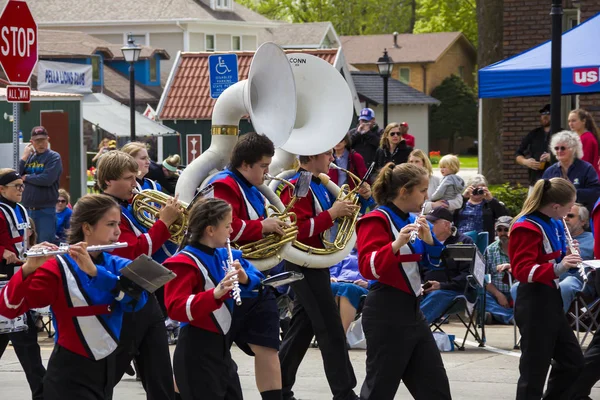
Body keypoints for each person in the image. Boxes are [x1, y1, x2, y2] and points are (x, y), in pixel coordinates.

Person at [0, 194, 147, 399]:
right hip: (68, 371)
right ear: (87, 228)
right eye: (111, 224)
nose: (118, 231)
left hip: (106, 369)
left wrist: (96, 273)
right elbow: (9, 308)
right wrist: (27, 269)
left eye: (119, 224)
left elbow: (136, 302)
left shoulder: (117, 264)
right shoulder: (57, 266)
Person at [356, 163, 451, 399]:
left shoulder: (416, 220)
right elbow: (368, 268)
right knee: (379, 390)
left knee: (436, 390)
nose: (427, 197)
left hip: (412, 311)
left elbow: (434, 266)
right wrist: (395, 244)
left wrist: (431, 241)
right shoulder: (375, 220)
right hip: (385, 312)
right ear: (404, 191)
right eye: (422, 190)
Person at [209, 132, 287, 400]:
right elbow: (223, 228)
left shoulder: (249, 185)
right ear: (245, 164)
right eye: (264, 166)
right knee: (210, 355)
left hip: (254, 279)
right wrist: (262, 226)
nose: (267, 173)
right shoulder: (223, 185)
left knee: (268, 347)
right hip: (228, 278)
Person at [96, 151, 179, 400]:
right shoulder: (104, 211)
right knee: (106, 377)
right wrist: (164, 223)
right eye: (129, 178)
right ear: (109, 181)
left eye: (136, 177)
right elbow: (133, 253)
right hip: (120, 301)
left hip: (146, 297)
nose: (136, 183)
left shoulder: (130, 205)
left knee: (161, 376)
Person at [163, 197, 264, 400]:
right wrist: (214, 294)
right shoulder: (182, 263)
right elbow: (176, 308)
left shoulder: (226, 255)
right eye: (227, 226)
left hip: (222, 349)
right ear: (210, 230)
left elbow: (258, 279)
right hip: (196, 349)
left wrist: (245, 279)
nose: (231, 231)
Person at [278, 149, 359, 400]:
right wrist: (333, 213)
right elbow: (298, 230)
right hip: (304, 263)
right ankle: (344, 393)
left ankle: (277, 388)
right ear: (311, 157)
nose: (332, 159)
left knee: (302, 329)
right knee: (330, 327)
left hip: (315, 262)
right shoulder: (298, 186)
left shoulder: (318, 184)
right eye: (327, 154)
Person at [509, 178, 584, 399]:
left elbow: (550, 256)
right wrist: (560, 266)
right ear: (555, 206)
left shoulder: (554, 222)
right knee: (534, 372)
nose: (571, 210)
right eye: (569, 206)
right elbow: (522, 271)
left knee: (573, 362)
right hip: (534, 300)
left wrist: (567, 254)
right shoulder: (527, 227)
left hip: (551, 298)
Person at [0, 169, 45, 400]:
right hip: (3, 279)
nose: (21, 189)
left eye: (22, 185)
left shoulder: (21, 209)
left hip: (21, 276)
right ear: (1, 189)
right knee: (26, 341)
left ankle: (42, 392)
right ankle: (43, 392)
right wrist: (2, 251)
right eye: (16, 185)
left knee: (24, 339)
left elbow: (27, 240)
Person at [419, 207, 474, 324]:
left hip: (453, 291)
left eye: (432, 222)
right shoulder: (423, 241)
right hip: (424, 289)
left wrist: (442, 286)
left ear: (446, 225)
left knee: (437, 295)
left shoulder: (463, 243)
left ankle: (412, 331)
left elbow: (469, 275)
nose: (428, 225)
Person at [19, 126, 63, 243]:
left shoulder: (53, 157)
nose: (41, 144)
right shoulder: (29, 158)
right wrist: (24, 157)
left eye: (43, 140)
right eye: (37, 141)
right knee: (27, 245)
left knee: (45, 246)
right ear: (31, 142)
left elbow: (47, 179)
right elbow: (16, 177)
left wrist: (27, 177)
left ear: (48, 139)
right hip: (27, 209)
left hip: (45, 211)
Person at [542, 130, 600, 214]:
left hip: (581, 216)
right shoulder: (550, 171)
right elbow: (542, 194)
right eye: (556, 148)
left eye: (563, 148)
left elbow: (595, 192)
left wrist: (571, 192)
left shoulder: (586, 168)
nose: (559, 151)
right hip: (555, 215)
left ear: (573, 149)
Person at [557, 203, 595, 314]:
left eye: (570, 216)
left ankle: (554, 325)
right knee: (518, 286)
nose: (565, 218)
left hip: (580, 283)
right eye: (564, 215)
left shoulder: (593, 240)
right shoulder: (556, 237)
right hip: (552, 278)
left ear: (583, 221)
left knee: (566, 285)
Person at [455, 174, 509, 244]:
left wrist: (492, 200)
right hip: (461, 239)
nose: (477, 191)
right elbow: (451, 216)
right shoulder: (462, 202)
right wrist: (463, 198)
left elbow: (505, 217)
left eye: (480, 189)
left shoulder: (490, 204)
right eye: (475, 188)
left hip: (482, 240)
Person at [329, 133, 375, 214]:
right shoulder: (328, 158)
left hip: (352, 195)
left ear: (346, 141)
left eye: (341, 140)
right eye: (335, 140)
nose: (337, 142)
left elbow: (365, 178)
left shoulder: (356, 157)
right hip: (334, 196)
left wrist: (363, 191)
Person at [329, 248, 370, 334]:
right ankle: (330, 334)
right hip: (340, 282)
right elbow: (333, 271)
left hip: (362, 287)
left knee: (348, 288)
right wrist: (331, 277)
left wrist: (368, 284)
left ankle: (343, 335)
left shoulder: (373, 253)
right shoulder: (344, 253)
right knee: (331, 287)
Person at [483, 216, 514, 325]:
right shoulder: (490, 249)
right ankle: (510, 317)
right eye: (499, 230)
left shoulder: (521, 247)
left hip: (517, 292)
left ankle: (497, 316)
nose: (502, 233)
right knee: (481, 295)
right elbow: (485, 278)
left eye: (506, 230)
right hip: (495, 293)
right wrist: (498, 295)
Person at [408, 149, 461, 214]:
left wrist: (445, 204)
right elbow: (409, 206)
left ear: (424, 163)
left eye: (417, 161)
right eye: (411, 161)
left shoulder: (438, 180)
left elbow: (458, 200)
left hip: (435, 218)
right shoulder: (406, 182)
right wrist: (432, 205)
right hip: (414, 219)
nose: (413, 164)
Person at [515, 104, 553, 193]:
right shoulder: (533, 134)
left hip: (554, 182)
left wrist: (552, 157)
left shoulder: (561, 133)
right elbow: (518, 154)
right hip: (535, 181)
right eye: (543, 113)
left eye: (548, 113)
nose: (545, 116)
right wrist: (526, 162)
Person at [568, 108, 600, 178]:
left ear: (583, 121)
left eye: (574, 121)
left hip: (587, 178)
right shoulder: (583, 137)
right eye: (569, 121)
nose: (570, 124)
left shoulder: (586, 138)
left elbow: (584, 162)